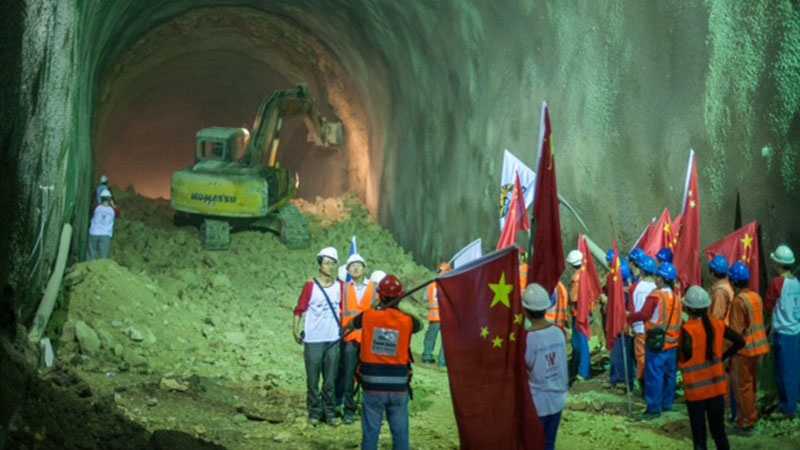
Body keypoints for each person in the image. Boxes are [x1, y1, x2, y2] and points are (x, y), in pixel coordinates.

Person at [347, 274, 422, 450]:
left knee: (371, 432)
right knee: (400, 432)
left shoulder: (368, 316)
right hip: (398, 386)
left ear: (380, 295)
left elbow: (351, 325)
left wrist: (376, 308)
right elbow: (420, 325)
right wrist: (399, 307)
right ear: (400, 297)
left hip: (373, 385)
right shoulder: (408, 320)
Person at [679, 286, 744, 450]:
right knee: (719, 433)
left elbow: (684, 357)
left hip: (695, 394)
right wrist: (723, 356)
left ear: (688, 308)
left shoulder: (687, 329)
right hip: (717, 390)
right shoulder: (718, 324)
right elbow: (740, 341)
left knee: (699, 437)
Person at [293, 247, 345, 426]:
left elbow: (345, 309)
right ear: (320, 265)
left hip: (333, 339)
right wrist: (295, 329)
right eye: (326, 263)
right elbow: (300, 309)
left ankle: (329, 412)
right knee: (313, 379)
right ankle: (314, 411)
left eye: (332, 263)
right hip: (314, 339)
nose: (329, 266)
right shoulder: (310, 285)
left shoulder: (340, 286)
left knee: (330, 379)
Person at [627, 261, 682, 419]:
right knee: (669, 375)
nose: (655, 279)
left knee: (654, 375)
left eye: (658, 276)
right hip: (673, 342)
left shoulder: (656, 295)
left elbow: (644, 315)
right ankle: (667, 404)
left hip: (657, 342)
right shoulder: (676, 296)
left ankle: (653, 408)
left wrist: (629, 316)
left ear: (662, 278)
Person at [523, 283, 568, 450]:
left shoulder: (530, 338)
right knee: (549, 443)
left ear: (525, 310)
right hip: (557, 400)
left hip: (538, 404)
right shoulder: (558, 332)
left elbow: (526, 366)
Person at [728, 261, 770, 434]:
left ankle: (746, 422)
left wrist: (727, 353)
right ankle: (751, 415)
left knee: (743, 386)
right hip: (759, 348)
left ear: (733, 281)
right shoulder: (756, 296)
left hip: (744, 351)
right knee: (752, 384)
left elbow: (736, 332)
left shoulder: (739, 301)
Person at [338, 253, 377, 424]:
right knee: (348, 375)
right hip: (350, 338)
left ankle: (370, 409)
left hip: (369, 339)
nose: (355, 268)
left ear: (364, 268)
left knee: (370, 375)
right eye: (351, 265)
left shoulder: (375, 288)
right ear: (347, 270)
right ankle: (349, 409)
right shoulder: (344, 288)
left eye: (358, 265)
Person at [765, 245, 800, 419]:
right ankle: (793, 401)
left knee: (782, 371)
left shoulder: (777, 283)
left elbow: (769, 305)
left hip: (782, 333)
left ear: (778, 263)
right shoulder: (797, 282)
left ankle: (787, 408)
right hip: (796, 331)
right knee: (794, 369)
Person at [706, 254, 737, 422]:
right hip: (726, 334)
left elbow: (716, 318)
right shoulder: (728, 287)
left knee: (720, 372)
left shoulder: (719, 291)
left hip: (720, 337)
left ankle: (722, 406)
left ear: (712, 272)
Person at [629, 251, 658, 390]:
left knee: (641, 357)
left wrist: (630, 322)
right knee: (652, 358)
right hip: (654, 329)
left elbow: (634, 309)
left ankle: (642, 384)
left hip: (639, 327)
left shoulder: (636, 287)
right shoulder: (657, 288)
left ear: (641, 270)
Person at [609, 260, 636, 390]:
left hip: (623, 327)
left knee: (621, 355)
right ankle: (623, 380)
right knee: (626, 355)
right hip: (626, 326)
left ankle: (623, 381)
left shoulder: (623, 291)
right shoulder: (631, 287)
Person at [567, 249, 591, 381]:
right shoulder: (585, 274)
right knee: (580, 342)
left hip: (579, 314)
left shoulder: (577, 278)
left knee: (581, 342)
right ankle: (579, 368)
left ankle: (583, 371)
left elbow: (574, 297)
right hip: (584, 312)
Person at [422, 262, 450, 366]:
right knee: (445, 340)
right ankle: (442, 362)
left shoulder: (430, 285)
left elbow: (425, 299)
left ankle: (427, 356)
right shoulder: (450, 285)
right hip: (446, 317)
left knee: (430, 337)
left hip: (434, 316)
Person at [87, 188, 119, 260]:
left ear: (101, 198)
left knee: (91, 255)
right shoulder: (113, 210)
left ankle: (89, 269)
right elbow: (118, 214)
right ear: (109, 199)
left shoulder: (96, 207)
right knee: (103, 258)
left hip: (94, 233)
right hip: (106, 234)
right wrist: (113, 204)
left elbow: (91, 213)